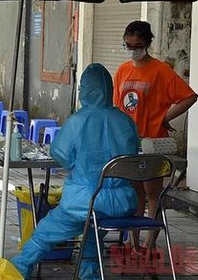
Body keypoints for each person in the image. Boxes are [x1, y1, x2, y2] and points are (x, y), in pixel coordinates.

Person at [10, 63, 140, 280]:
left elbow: (61, 155)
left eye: (81, 88)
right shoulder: (125, 121)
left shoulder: (78, 121)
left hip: (85, 200)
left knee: (48, 230)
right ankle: (88, 271)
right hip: (122, 202)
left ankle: (20, 266)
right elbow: (133, 154)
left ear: (87, 90)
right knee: (92, 228)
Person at [113, 20, 197, 254]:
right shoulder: (122, 71)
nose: (133, 50)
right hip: (130, 141)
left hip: (152, 142)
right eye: (128, 45)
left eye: (137, 45)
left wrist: (164, 117)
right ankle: (132, 241)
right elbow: (117, 106)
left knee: (153, 196)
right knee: (135, 194)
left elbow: (189, 97)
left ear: (148, 44)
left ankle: (150, 245)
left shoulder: (161, 71)